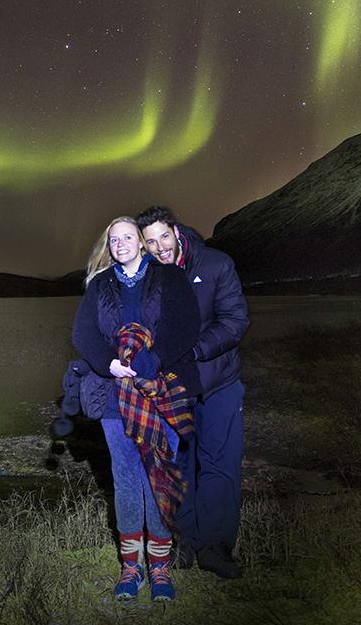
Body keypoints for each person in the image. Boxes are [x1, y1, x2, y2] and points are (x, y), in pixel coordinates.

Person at [71, 216, 202, 601]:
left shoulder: (170, 278)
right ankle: (132, 568)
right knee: (127, 479)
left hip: (163, 391)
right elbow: (82, 332)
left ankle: (159, 569)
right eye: (114, 239)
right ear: (109, 246)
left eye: (128, 237)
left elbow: (187, 325)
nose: (121, 243)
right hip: (115, 397)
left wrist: (154, 359)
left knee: (158, 477)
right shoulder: (100, 285)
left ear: (140, 243)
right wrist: (107, 363)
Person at [136, 205, 250, 580]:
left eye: (164, 237)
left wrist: (196, 349)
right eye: (150, 242)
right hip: (174, 387)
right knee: (179, 464)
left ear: (176, 231)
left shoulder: (216, 265)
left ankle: (215, 547)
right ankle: (184, 541)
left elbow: (235, 320)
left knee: (219, 461)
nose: (159, 247)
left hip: (218, 381)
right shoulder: (147, 276)